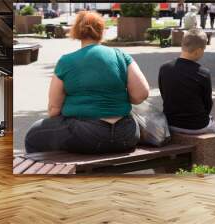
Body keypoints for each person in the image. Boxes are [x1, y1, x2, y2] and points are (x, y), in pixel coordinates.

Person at [25, 11, 150, 154]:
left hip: (86, 136)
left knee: (33, 136)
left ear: (76, 31)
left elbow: (54, 110)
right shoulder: (121, 56)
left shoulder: (66, 61)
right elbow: (141, 94)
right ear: (101, 31)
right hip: (126, 134)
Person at [158, 29, 215, 135]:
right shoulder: (204, 73)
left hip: (170, 123)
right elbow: (208, 104)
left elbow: (165, 95)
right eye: (204, 49)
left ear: (183, 45)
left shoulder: (164, 68)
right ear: (198, 51)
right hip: (197, 125)